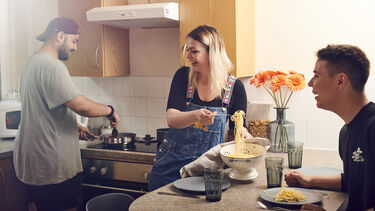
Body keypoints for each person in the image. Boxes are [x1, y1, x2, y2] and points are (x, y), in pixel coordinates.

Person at [13, 17, 120, 211]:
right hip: (51, 165)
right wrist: (110, 111)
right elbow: (80, 105)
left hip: (33, 163)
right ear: (60, 36)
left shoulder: (33, 62)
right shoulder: (52, 66)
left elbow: (44, 108)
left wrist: (73, 126)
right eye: (75, 41)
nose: (75, 48)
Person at [148, 25, 251, 191]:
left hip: (208, 171)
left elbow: (237, 132)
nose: (188, 56)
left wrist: (248, 139)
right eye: (187, 50)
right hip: (169, 168)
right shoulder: (183, 76)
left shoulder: (235, 88)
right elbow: (172, 119)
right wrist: (195, 115)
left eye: (194, 51)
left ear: (212, 52)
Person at [284, 45, 375, 211]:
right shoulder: (347, 131)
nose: (310, 83)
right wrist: (311, 181)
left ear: (340, 80)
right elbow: (357, 180)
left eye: (316, 75)